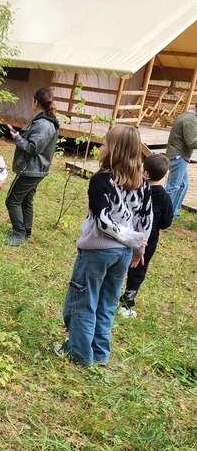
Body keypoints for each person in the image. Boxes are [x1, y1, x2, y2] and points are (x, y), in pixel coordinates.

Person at [58, 125, 153, 367]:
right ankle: (100, 353)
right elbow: (146, 222)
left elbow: (102, 221)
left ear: (115, 151)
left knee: (84, 300)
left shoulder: (101, 180)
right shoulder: (142, 184)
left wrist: (131, 242)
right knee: (108, 302)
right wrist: (137, 248)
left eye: (104, 144)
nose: (101, 148)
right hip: (122, 256)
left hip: (98, 252)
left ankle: (79, 353)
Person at [118, 152, 173, 317]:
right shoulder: (164, 197)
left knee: (119, 266)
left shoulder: (134, 188)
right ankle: (126, 305)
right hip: (147, 241)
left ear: (146, 172)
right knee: (138, 270)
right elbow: (166, 222)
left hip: (125, 234)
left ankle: (111, 295)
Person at [4, 88, 60, 246]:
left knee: (12, 200)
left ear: (36, 102)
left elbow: (33, 148)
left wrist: (17, 138)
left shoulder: (44, 124)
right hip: (36, 169)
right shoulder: (43, 120)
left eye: (32, 100)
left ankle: (19, 233)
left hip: (31, 169)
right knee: (26, 200)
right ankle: (26, 231)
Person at [164, 106, 197, 218]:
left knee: (183, 185)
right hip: (179, 156)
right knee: (173, 187)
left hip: (179, 156)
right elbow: (191, 142)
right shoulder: (190, 119)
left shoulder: (189, 117)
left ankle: (173, 213)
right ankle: (161, 213)